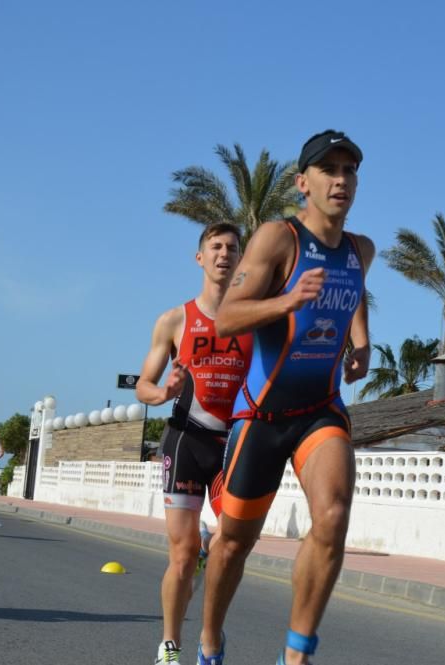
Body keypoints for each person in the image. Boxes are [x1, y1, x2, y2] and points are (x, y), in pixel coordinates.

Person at [199, 129, 373, 665]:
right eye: (329, 170)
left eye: (349, 171)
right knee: (232, 544)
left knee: (335, 515)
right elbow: (228, 315)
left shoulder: (360, 250)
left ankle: (295, 656)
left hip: (321, 409)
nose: (341, 180)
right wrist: (287, 300)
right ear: (304, 182)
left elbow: (353, 291)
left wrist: (362, 342)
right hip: (263, 413)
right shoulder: (279, 239)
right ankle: (209, 642)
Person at [135, 222, 253, 665]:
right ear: (200, 257)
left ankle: (211, 633)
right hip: (185, 440)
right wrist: (165, 391)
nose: (225, 254)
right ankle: (170, 644)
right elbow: (143, 386)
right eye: (216, 247)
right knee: (182, 555)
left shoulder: (255, 321)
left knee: (231, 543)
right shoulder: (175, 320)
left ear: (241, 259)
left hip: (234, 447)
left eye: (232, 248)